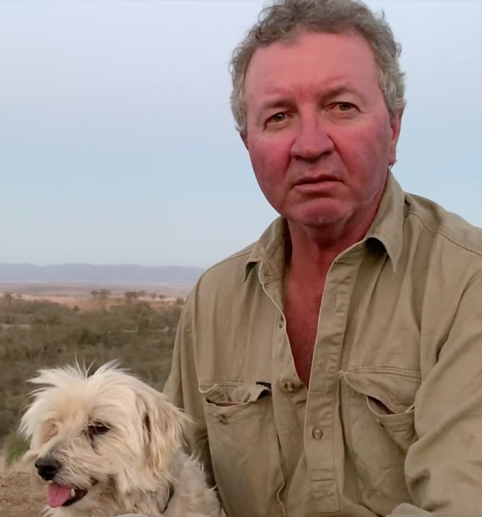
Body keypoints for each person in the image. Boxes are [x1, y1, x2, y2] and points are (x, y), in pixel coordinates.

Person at [162, 1, 481, 516]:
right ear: (248, 144)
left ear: (393, 129)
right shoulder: (213, 299)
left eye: (341, 106)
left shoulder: (468, 282)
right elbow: (176, 490)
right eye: (279, 116)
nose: (309, 145)